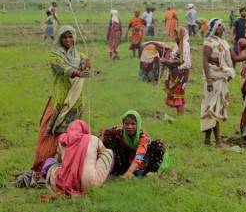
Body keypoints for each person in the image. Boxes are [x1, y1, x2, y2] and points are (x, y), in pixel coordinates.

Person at [33, 25, 91, 176]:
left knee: (72, 135)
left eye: (70, 36)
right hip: (59, 101)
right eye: (64, 37)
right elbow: (62, 68)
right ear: (59, 39)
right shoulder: (54, 55)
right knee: (51, 133)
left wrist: (85, 65)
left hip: (76, 102)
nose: (68, 40)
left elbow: (85, 62)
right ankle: (44, 166)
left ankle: (67, 167)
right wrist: (77, 72)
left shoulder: (80, 55)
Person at [41, 120, 113, 196]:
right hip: (91, 184)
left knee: (51, 163)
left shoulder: (63, 140)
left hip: (66, 182)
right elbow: (103, 151)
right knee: (108, 152)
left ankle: (69, 181)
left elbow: (60, 162)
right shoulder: (93, 138)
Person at [101, 110, 165, 178]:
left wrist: (129, 172)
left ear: (138, 124)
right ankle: (118, 168)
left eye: (133, 124)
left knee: (158, 144)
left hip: (144, 157)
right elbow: (105, 130)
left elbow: (139, 156)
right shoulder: (120, 131)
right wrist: (101, 143)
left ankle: (152, 171)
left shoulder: (143, 137)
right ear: (123, 124)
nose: (129, 127)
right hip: (126, 156)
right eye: (127, 124)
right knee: (108, 139)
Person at [162, 27, 191, 115]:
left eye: (177, 34)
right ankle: (179, 115)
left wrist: (167, 61)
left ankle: (180, 115)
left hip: (181, 73)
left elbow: (181, 61)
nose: (175, 36)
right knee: (175, 93)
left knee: (179, 93)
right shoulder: (177, 45)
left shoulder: (184, 45)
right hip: (175, 72)